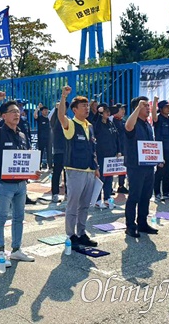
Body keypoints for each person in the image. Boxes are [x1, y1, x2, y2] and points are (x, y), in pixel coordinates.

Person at [0, 91, 36, 265]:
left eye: (18, 111)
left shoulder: (22, 135)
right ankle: (0, 251)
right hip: (5, 184)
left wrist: (32, 170)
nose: (17, 114)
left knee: (19, 217)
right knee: (1, 217)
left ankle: (16, 249)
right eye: (13, 111)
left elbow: (27, 157)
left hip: (21, 184)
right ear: (4, 116)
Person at [57, 86, 99, 249]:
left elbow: (92, 148)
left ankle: (81, 233)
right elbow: (61, 116)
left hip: (89, 170)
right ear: (74, 110)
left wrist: (96, 167)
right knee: (73, 205)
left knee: (85, 205)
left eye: (88, 105)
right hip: (75, 170)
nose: (87, 108)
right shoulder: (71, 125)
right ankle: (70, 235)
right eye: (83, 106)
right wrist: (63, 97)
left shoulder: (89, 126)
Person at [123, 97, 158, 237]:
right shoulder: (133, 123)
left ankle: (142, 223)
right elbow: (128, 127)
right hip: (135, 166)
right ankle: (130, 225)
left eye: (148, 106)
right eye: (145, 106)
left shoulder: (147, 124)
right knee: (134, 196)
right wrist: (137, 108)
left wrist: (157, 158)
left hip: (148, 167)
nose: (148, 108)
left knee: (146, 196)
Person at [93, 103, 120, 209]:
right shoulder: (98, 124)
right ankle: (98, 200)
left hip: (111, 155)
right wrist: (98, 112)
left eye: (109, 111)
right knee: (101, 178)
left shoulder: (111, 124)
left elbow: (117, 138)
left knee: (109, 178)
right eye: (106, 111)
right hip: (101, 155)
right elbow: (94, 122)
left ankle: (108, 198)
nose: (108, 113)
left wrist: (119, 150)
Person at [151, 97, 169, 201]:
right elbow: (153, 116)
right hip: (161, 150)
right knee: (160, 172)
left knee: (168, 172)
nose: (168, 108)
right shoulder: (158, 119)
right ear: (161, 109)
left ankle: (166, 192)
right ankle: (157, 193)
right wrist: (154, 102)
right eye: (166, 107)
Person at [50, 102, 67, 203]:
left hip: (67, 150)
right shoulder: (55, 119)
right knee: (57, 173)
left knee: (67, 174)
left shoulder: (68, 119)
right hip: (58, 150)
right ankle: (55, 194)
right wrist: (56, 109)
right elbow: (49, 117)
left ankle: (68, 194)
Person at [111, 104, 129, 194]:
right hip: (114, 147)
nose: (123, 111)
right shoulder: (111, 121)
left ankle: (121, 185)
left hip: (124, 147)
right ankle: (108, 187)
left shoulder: (123, 121)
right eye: (121, 109)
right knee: (110, 168)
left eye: (123, 109)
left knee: (122, 168)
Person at [34, 104, 52, 170]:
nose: (46, 111)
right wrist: (37, 108)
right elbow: (35, 116)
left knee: (49, 152)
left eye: (47, 110)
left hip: (49, 138)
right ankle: (39, 166)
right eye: (44, 110)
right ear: (42, 111)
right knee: (40, 153)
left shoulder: (49, 118)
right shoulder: (40, 118)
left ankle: (50, 166)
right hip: (41, 138)